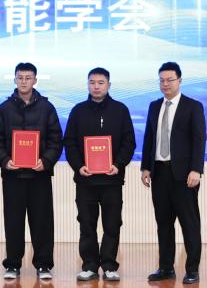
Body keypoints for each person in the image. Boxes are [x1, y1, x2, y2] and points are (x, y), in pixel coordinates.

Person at [0, 62, 62, 281]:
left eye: (28, 78)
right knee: (13, 222)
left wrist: (46, 161)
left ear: (35, 80)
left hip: (39, 175)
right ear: (14, 80)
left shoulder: (47, 108)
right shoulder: (4, 109)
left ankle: (43, 264)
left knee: (42, 222)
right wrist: (5, 160)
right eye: (20, 77)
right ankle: (13, 264)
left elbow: (56, 139)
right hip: (13, 176)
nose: (23, 81)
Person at [63, 67, 135, 283]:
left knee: (112, 224)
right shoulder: (78, 111)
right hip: (85, 180)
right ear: (87, 84)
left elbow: (129, 142)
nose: (96, 86)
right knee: (86, 224)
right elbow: (70, 142)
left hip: (112, 179)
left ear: (109, 85)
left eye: (101, 83)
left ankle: (110, 265)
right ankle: (89, 265)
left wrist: (118, 164)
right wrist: (78, 166)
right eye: (92, 82)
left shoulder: (120, 110)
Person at [140, 61, 206, 285]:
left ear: (180, 80)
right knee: (163, 223)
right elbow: (149, 138)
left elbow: (199, 139)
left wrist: (196, 169)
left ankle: (192, 269)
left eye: (170, 80)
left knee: (189, 223)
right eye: (162, 80)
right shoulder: (154, 106)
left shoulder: (193, 106)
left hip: (184, 175)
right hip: (159, 172)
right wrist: (146, 167)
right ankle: (166, 268)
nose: (165, 84)